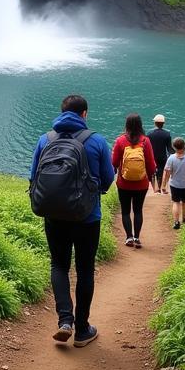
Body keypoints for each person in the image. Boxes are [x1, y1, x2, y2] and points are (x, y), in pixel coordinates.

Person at [30, 93, 113, 347]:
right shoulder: (96, 141)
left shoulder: (45, 139)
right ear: (84, 114)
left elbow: (34, 176)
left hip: (54, 215)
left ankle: (64, 321)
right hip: (88, 216)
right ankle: (82, 329)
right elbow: (109, 178)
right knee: (85, 269)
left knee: (59, 266)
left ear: (61, 112)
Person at [112, 113, 156, 249]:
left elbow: (113, 162)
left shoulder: (120, 141)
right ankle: (137, 237)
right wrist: (149, 178)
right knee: (138, 210)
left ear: (127, 125)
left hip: (123, 183)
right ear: (140, 124)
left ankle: (128, 237)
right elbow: (151, 164)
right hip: (141, 183)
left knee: (125, 211)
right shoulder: (145, 141)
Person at [146, 114, 173, 194]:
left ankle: (155, 189)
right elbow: (169, 149)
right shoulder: (167, 134)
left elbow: (147, 147)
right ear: (163, 123)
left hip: (152, 156)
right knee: (160, 172)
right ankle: (160, 187)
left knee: (152, 172)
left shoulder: (149, 134)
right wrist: (177, 152)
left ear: (155, 123)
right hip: (163, 157)